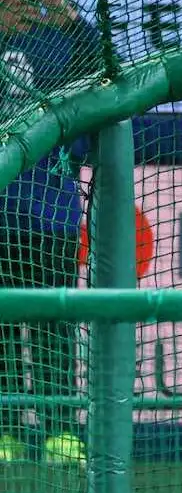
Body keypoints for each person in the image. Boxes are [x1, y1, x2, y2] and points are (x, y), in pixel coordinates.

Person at [0, 0, 97, 465]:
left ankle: (61, 431)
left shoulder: (68, 35)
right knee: (0, 330)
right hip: (1, 210)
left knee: (53, 325)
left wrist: (73, 20)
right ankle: (7, 432)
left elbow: (104, 78)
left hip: (51, 211)